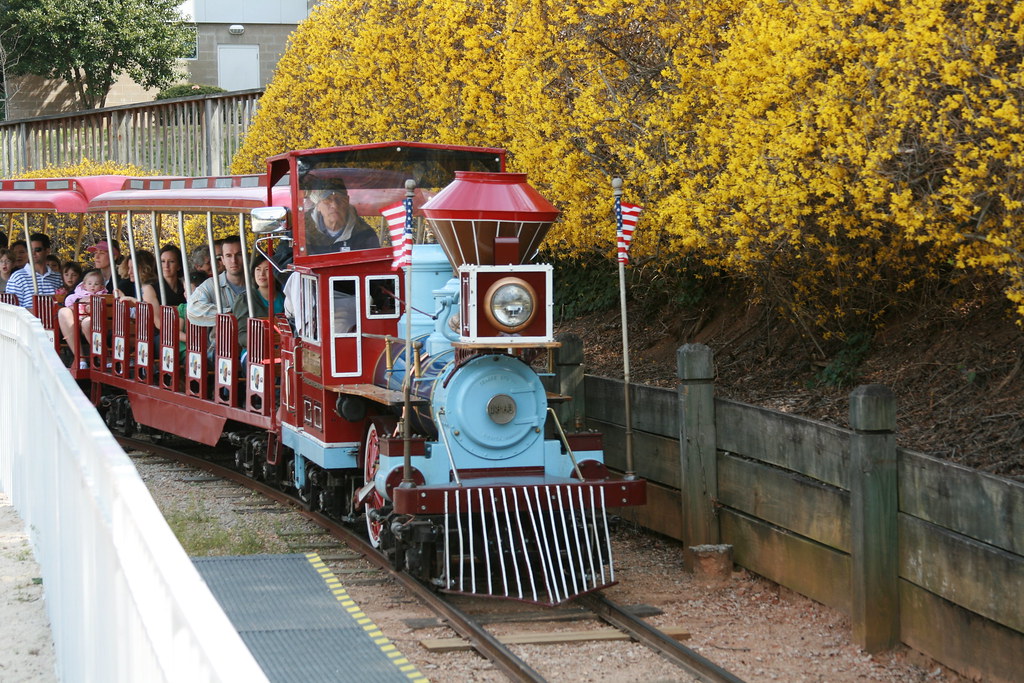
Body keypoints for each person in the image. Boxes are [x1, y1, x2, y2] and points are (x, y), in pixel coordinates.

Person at [187, 236, 246, 328]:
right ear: (223, 260)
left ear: (247, 256)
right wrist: (229, 314)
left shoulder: (256, 284)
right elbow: (193, 308)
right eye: (228, 255)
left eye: (239, 254)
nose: (234, 261)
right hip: (221, 341)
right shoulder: (211, 284)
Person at [304, 183, 380, 255]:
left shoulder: (365, 235)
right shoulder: (302, 233)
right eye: (327, 200)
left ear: (347, 201)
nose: (335, 205)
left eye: (339, 199)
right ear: (318, 205)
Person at [232, 252, 284, 349]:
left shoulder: (285, 298)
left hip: (281, 349)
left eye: (267, 269)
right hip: (253, 351)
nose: (261, 274)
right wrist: (259, 341)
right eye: (258, 269)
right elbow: (241, 334)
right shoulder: (245, 299)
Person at [57, 269, 108, 365]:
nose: (92, 286)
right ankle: (81, 359)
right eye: (90, 284)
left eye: (96, 284)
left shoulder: (102, 294)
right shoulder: (79, 294)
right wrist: (73, 305)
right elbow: (69, 299)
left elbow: (107, 303)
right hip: (78, 320)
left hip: (95, 320)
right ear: (84, 285)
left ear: (101, 286)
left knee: (87, 322)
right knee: (64, 311)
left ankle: (105, 358)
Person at [5, 233, 63, 310]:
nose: (33, 253)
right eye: (30, 250)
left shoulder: (57, 278)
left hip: (53, 320)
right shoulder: (18, 277)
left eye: (37, 250)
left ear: (47, 251)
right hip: (27, 321)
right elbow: (10, 308)